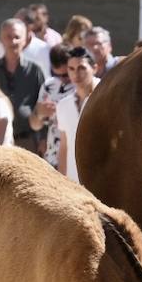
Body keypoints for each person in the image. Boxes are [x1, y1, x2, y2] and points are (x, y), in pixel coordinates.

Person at [0, 20, 46, 154]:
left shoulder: (35, 70)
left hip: (28, 140)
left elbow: (43, 103)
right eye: (8, 37)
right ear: (1, 40)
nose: (13, 41)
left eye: (17, 37)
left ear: (25, 40)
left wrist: (44, 138)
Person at [27, 44, 76, 172]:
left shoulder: (81, 86)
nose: (62, 80)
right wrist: (39, 114)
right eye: (56, 74)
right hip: (53, 158)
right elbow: (35, 125)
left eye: (65, 74)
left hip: (76, 156)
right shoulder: (49, 85)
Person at [54, 47, 99, 181]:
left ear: (94, 68)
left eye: (81, 68)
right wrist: (62, 181)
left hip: (102, 177)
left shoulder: (107, 98)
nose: (76, 74)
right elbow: (64, 145)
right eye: (71, 69)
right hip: (73, 180)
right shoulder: (63, 105)